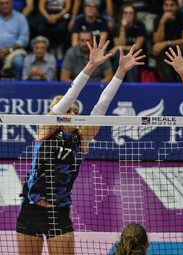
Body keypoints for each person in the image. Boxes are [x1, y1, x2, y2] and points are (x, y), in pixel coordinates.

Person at [16, 37, 145, 255]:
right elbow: (69, 97)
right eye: (67, 110)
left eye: (76, 111)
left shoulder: (81, 138)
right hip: (30, 211)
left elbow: (101, 106)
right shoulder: (47, 128)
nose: (72, 113)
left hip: (59, 212)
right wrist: (91, 65)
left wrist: (120, 72)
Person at [153, 0, 183, 82]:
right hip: (166, 51)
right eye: (166, 5)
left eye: (172, 5)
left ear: (177, 6)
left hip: (179, 48)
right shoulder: (158, 18)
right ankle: (168, 81)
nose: (169, 8)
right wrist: (162, 22)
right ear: (163, 7)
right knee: (156, 49)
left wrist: (167, 43)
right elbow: (157, 41)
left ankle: (182, 80)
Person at [110, 4, 146, 82]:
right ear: (121, 15)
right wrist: (123, 28)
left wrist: (118, 48)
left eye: (131, 13)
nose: (128, 15)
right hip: (122, 53)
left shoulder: (140, 25)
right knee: (120, 55)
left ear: (134, 15)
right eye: (125, 13)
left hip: (137, 53)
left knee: (129, 56)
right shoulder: (116, 27)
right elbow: (119, 45)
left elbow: (137, 47)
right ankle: (117, 82)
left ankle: (131, 84)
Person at [0, 0, 29, 80]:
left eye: (7, 3)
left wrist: (9, 50)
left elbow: (24, 39)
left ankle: (19, 90)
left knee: (19, 62)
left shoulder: (20, 18)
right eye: (1, 3)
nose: (4, 6)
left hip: (14, 51)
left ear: (12, 3)